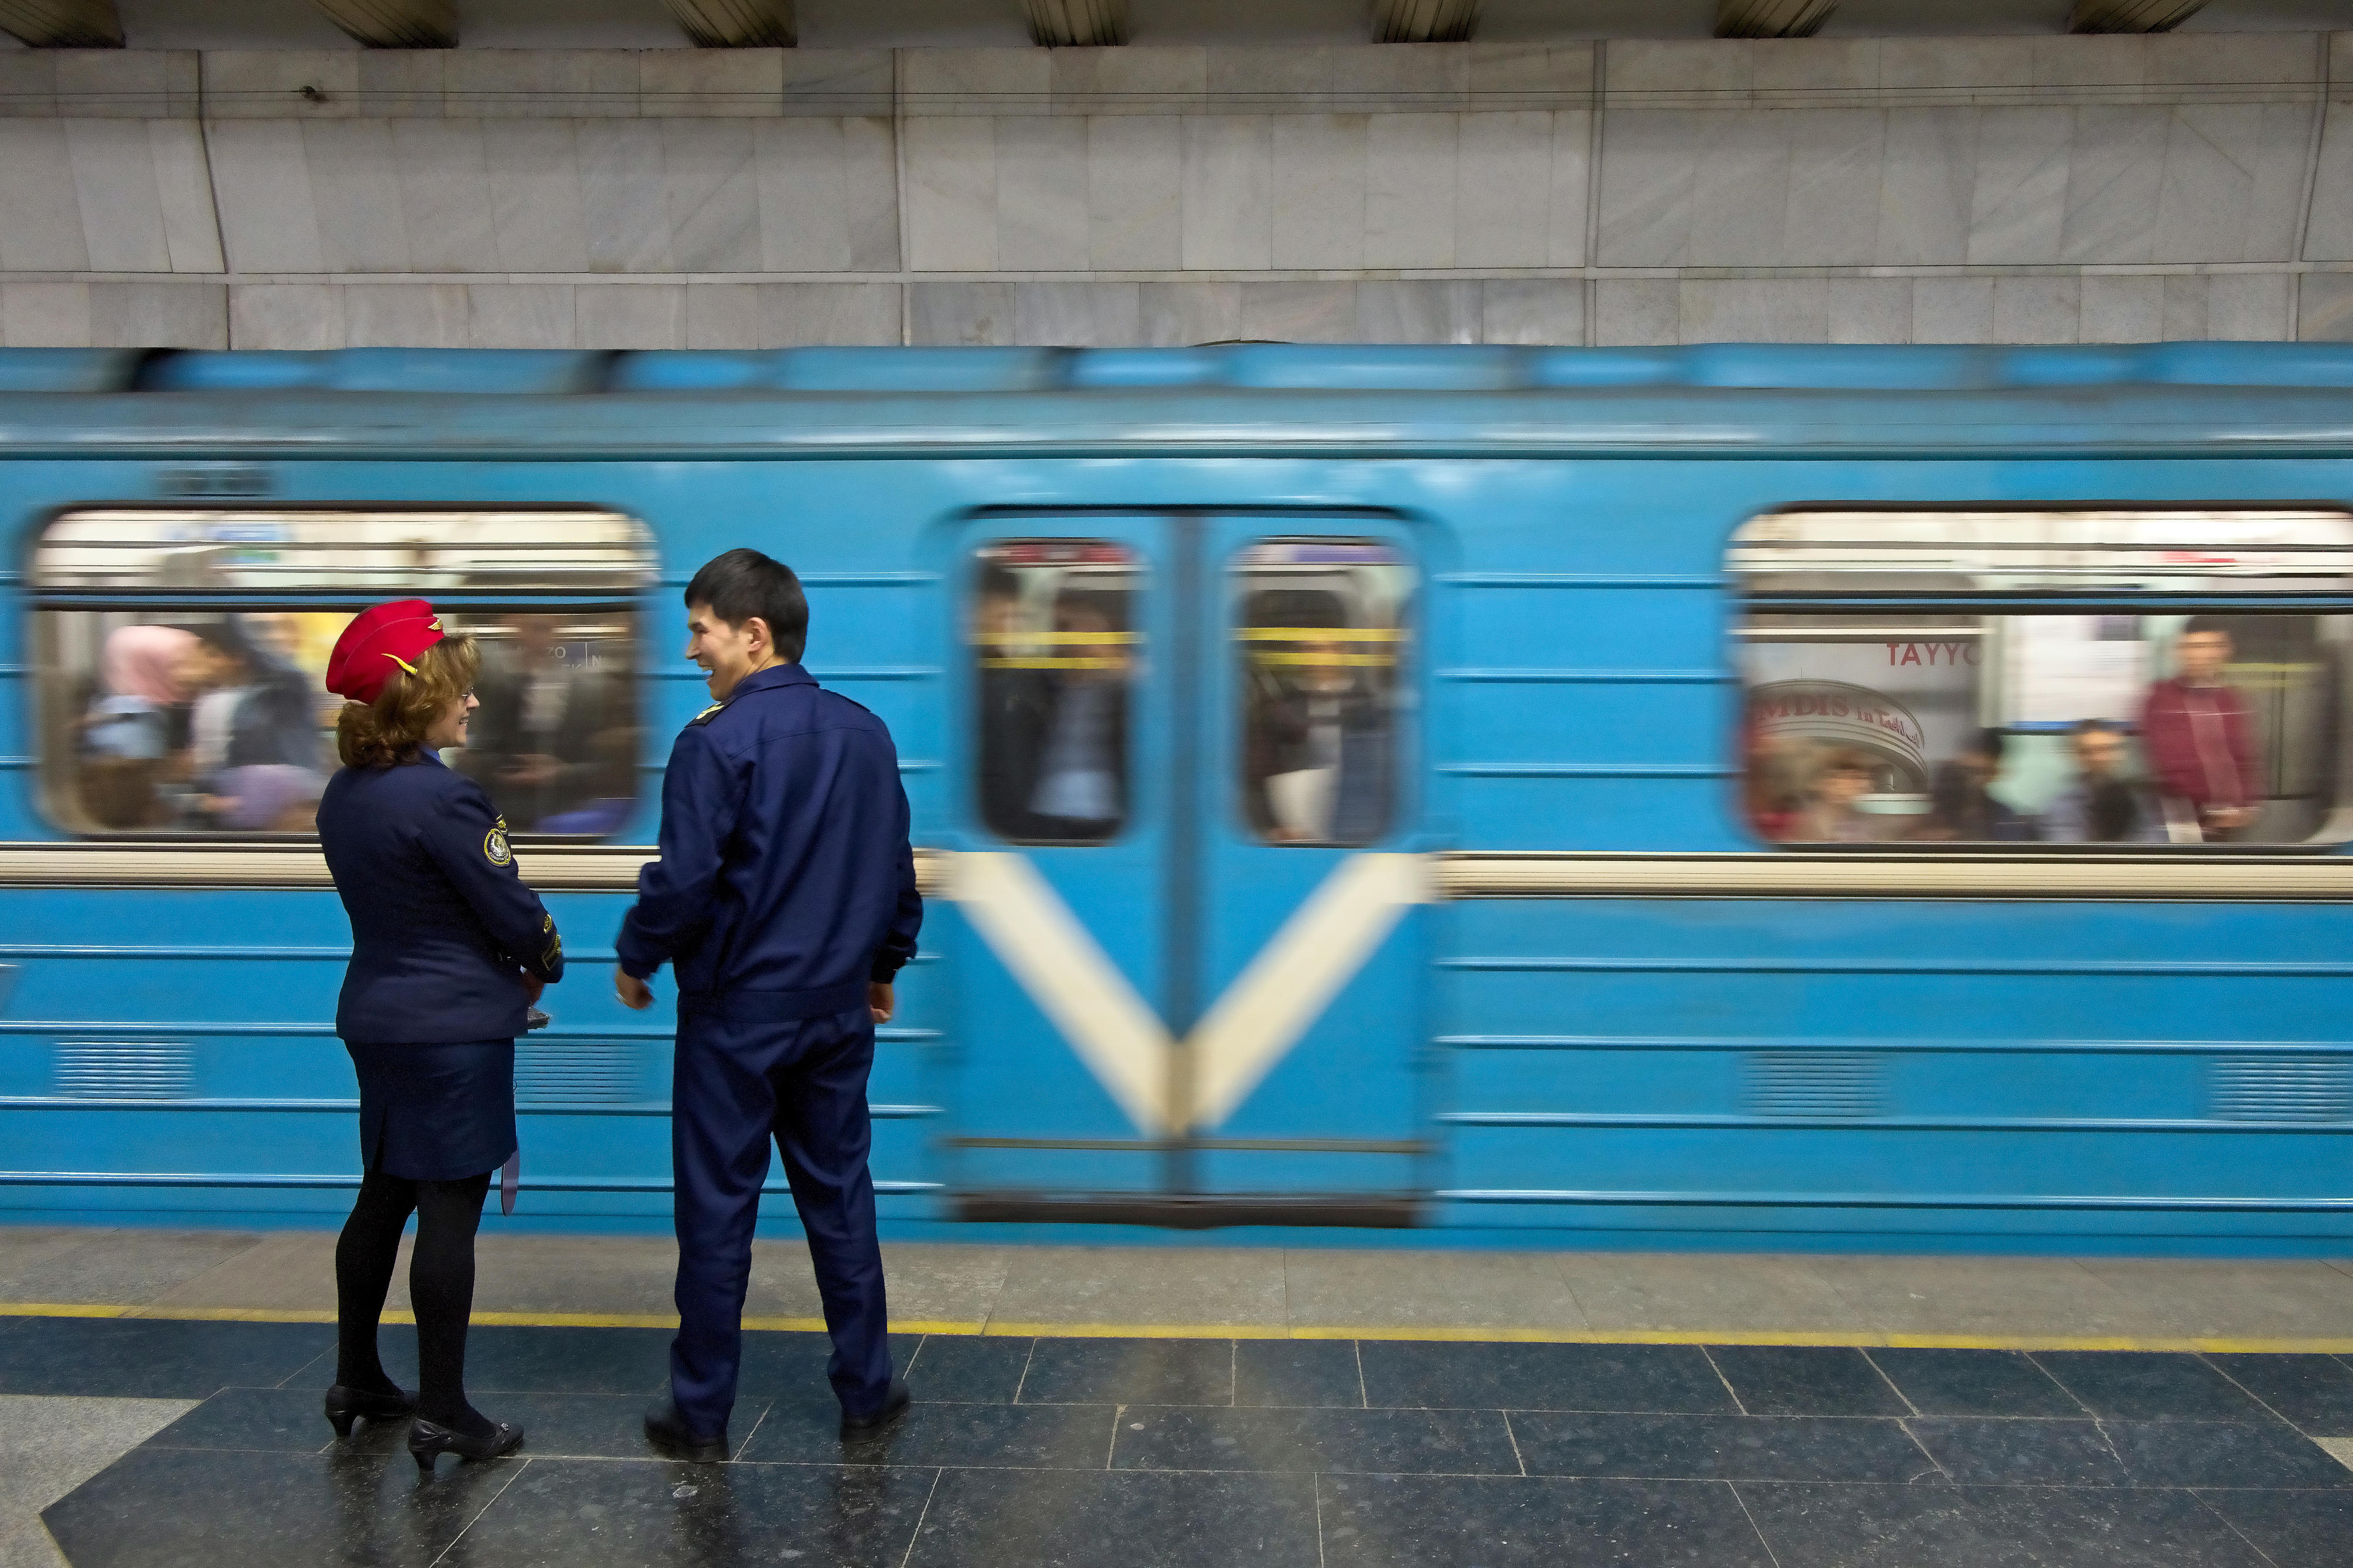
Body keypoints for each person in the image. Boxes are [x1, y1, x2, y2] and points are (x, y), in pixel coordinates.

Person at [614, 549, 922, 1460]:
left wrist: (638, 954)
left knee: (717, 1211)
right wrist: (882, 965)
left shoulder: (712, 744)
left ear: (754, 634)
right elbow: (897, 877)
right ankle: (868, 1388)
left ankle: (701, 1413)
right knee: (841, 1200)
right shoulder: (867, 734)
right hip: (833, 1013)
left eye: (701, 628)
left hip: (736, 1018)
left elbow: (686, 881)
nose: (690, 648)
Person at [313, 599, 566, 1472]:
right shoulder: (446, 795)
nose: (474, 704)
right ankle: (449, 1410)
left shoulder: (345, 794)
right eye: (461, 690)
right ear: (420, 701)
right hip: (453, 1030)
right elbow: (508, 906)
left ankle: (358, 1378)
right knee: (449, 1209)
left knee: (383, 1191)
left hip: (377, 1018)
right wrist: (542, 955)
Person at [464, 613, 632, 832]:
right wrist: (502, 769)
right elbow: (474, 754)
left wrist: (561, 773)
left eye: (543, 629)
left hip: (567, 816)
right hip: (500, 812)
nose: (537, 639)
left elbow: (608, 768)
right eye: (530, 629)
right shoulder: (493, 685)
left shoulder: (588, 691)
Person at [2140, 618, 2263, 841]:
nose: (2199, 656)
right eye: (2191, 647)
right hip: (2182, 821)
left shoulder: (2231, 699)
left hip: (2234, 820)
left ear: (2224, 651)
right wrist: (2212, 810)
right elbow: (2169, 763)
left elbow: (2243, 756)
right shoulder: (2161, 698)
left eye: (2209, 647)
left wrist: (2246, 804)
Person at [1024, 588, 1129, 840]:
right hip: (1051, 805)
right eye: (1075, 632)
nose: (1084, 643)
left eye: (1094, 632)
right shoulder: (1051, 683)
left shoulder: (1130, 686)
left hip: (1108, 806)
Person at [78, 625, 196, 829]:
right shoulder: (136, 721)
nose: (186, 674)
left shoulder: (111, 709)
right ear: (149, 665)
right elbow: (140, 792)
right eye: (176, 665)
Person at [2045, 719, 2164, 844]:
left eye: (2107, 749)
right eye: (2089, 751)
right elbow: (2070, 851)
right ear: (2078, 756)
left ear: (2121, 753)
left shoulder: (2141, 800)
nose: (2099, 758)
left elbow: (2154, 844)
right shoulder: (2064, 806)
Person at [1913, 728, 2034, 842]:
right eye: (1968, 771)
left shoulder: (2003, 819)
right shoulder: (1934, 814)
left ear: (1994, 774)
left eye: (1982, 773)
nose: (1973, 780)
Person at [1791, 748, 1881, 842]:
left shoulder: (1872, 824)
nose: (1843, 785)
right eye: (1835, 777)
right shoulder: (1803, 822)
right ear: (1818, 783)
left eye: (1855, 777)